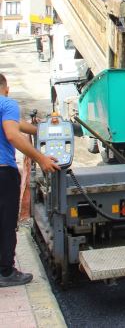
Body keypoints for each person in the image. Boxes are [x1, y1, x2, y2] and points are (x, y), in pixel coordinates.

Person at [0, 73, 60, 288]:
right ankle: (6, 272)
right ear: (6, 88)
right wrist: (41, 158)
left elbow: (17, 125)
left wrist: (43, 130)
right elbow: (12, 134)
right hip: (3, 173)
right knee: (6, 223)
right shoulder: (6, 103)